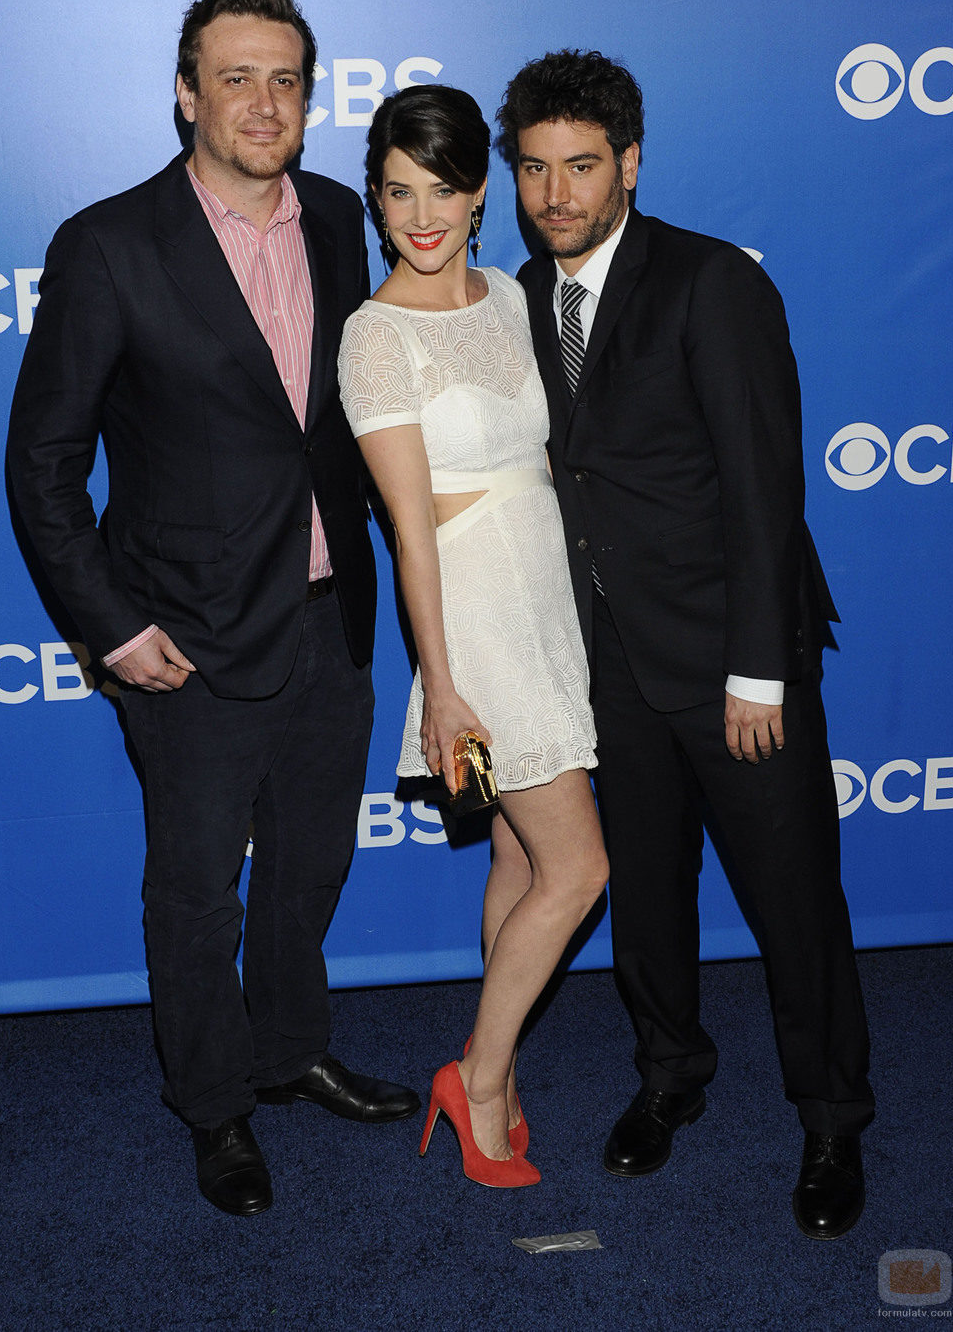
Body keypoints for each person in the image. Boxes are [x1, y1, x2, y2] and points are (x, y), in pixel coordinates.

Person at [6, 0, 419, 1219]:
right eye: (234, 77)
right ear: (186, 92)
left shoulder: (346, 219)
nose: (263, 101)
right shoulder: (111, 242)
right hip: (179, 631)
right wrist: (114, 624)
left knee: (310, 861)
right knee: (195, 887)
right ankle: (214, 1103)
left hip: (325, 608)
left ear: (310, 95)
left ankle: (289, 1046)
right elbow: (42, 463)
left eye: (285, 78)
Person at [497, 49, 874, 1238]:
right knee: (647, 898)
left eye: (581, 166)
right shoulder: (517, 291)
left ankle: (828, 1116)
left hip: (730, 663)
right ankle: (668, 1075)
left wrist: (756, 665)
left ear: (630, 163)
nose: (556, 193)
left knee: (791, 902)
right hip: (602, 661)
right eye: (534, 169)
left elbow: (764, 486)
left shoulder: (711, 283)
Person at [338, 84, 608, 1188]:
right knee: (579, 865)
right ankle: (478, 1077)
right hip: (475, 631)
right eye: (396, 191)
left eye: (439, 188)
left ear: (477, 190)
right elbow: (408, 530)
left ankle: (492, 1069)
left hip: (546, 606)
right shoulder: (372, 336)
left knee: (513, 849)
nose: (419, 214)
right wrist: (441, 689)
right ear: (374, 196)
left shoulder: (508, 294)